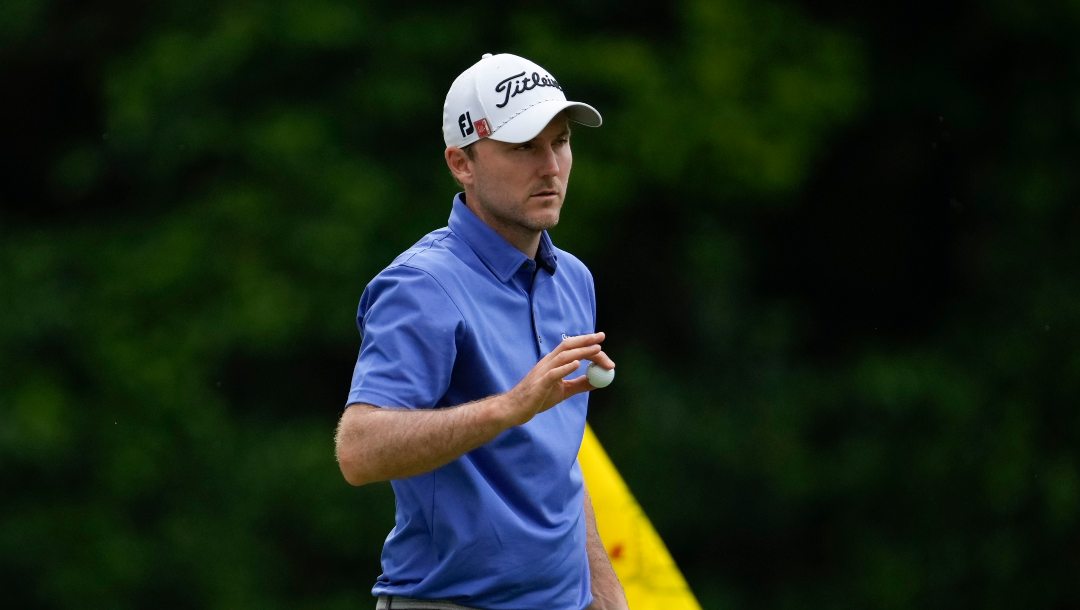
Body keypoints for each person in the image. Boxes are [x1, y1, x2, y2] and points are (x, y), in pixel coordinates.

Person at [335, 52, 629, 610]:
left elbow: (558, 456)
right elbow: (358, 450)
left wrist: (606, 592)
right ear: (461, 163)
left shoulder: (574, 279)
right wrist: (510, 406)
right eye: (523, 146)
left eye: (561, 142)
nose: (550, 166)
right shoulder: (420, 286)